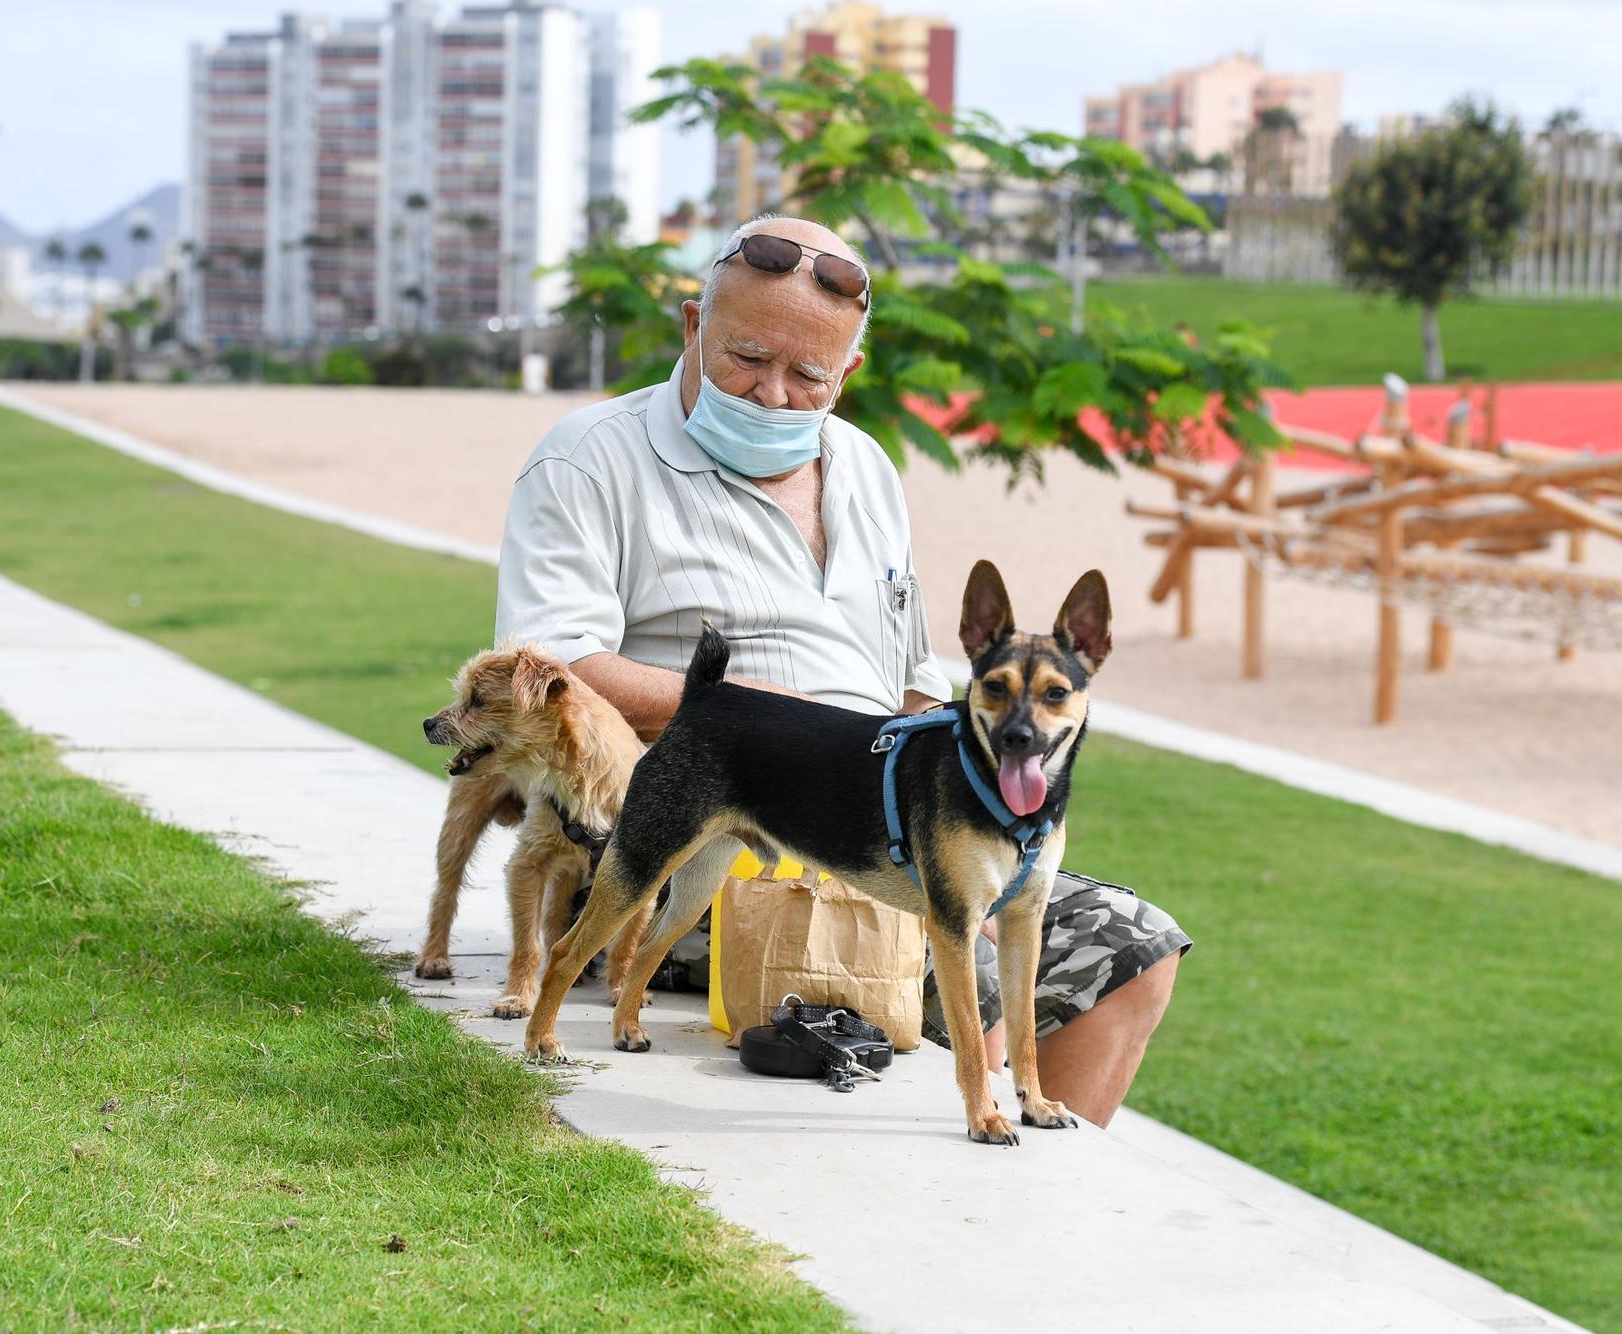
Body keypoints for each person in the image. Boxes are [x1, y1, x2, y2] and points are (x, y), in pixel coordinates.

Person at [493, 214, 1189, 1126]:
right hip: (689, 827)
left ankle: (1028, 1190)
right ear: (691, 324)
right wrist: (758, 715)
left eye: (807, 376)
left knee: (1134, 947)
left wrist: (970, 843)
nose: (774, 395)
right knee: (980, 966)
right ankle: (978, 1125)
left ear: (847, 374)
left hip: (883, 822)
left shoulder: (865, 467)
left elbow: (911, 683)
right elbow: (549, 671)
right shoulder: (590, 459)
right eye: (746, 358)